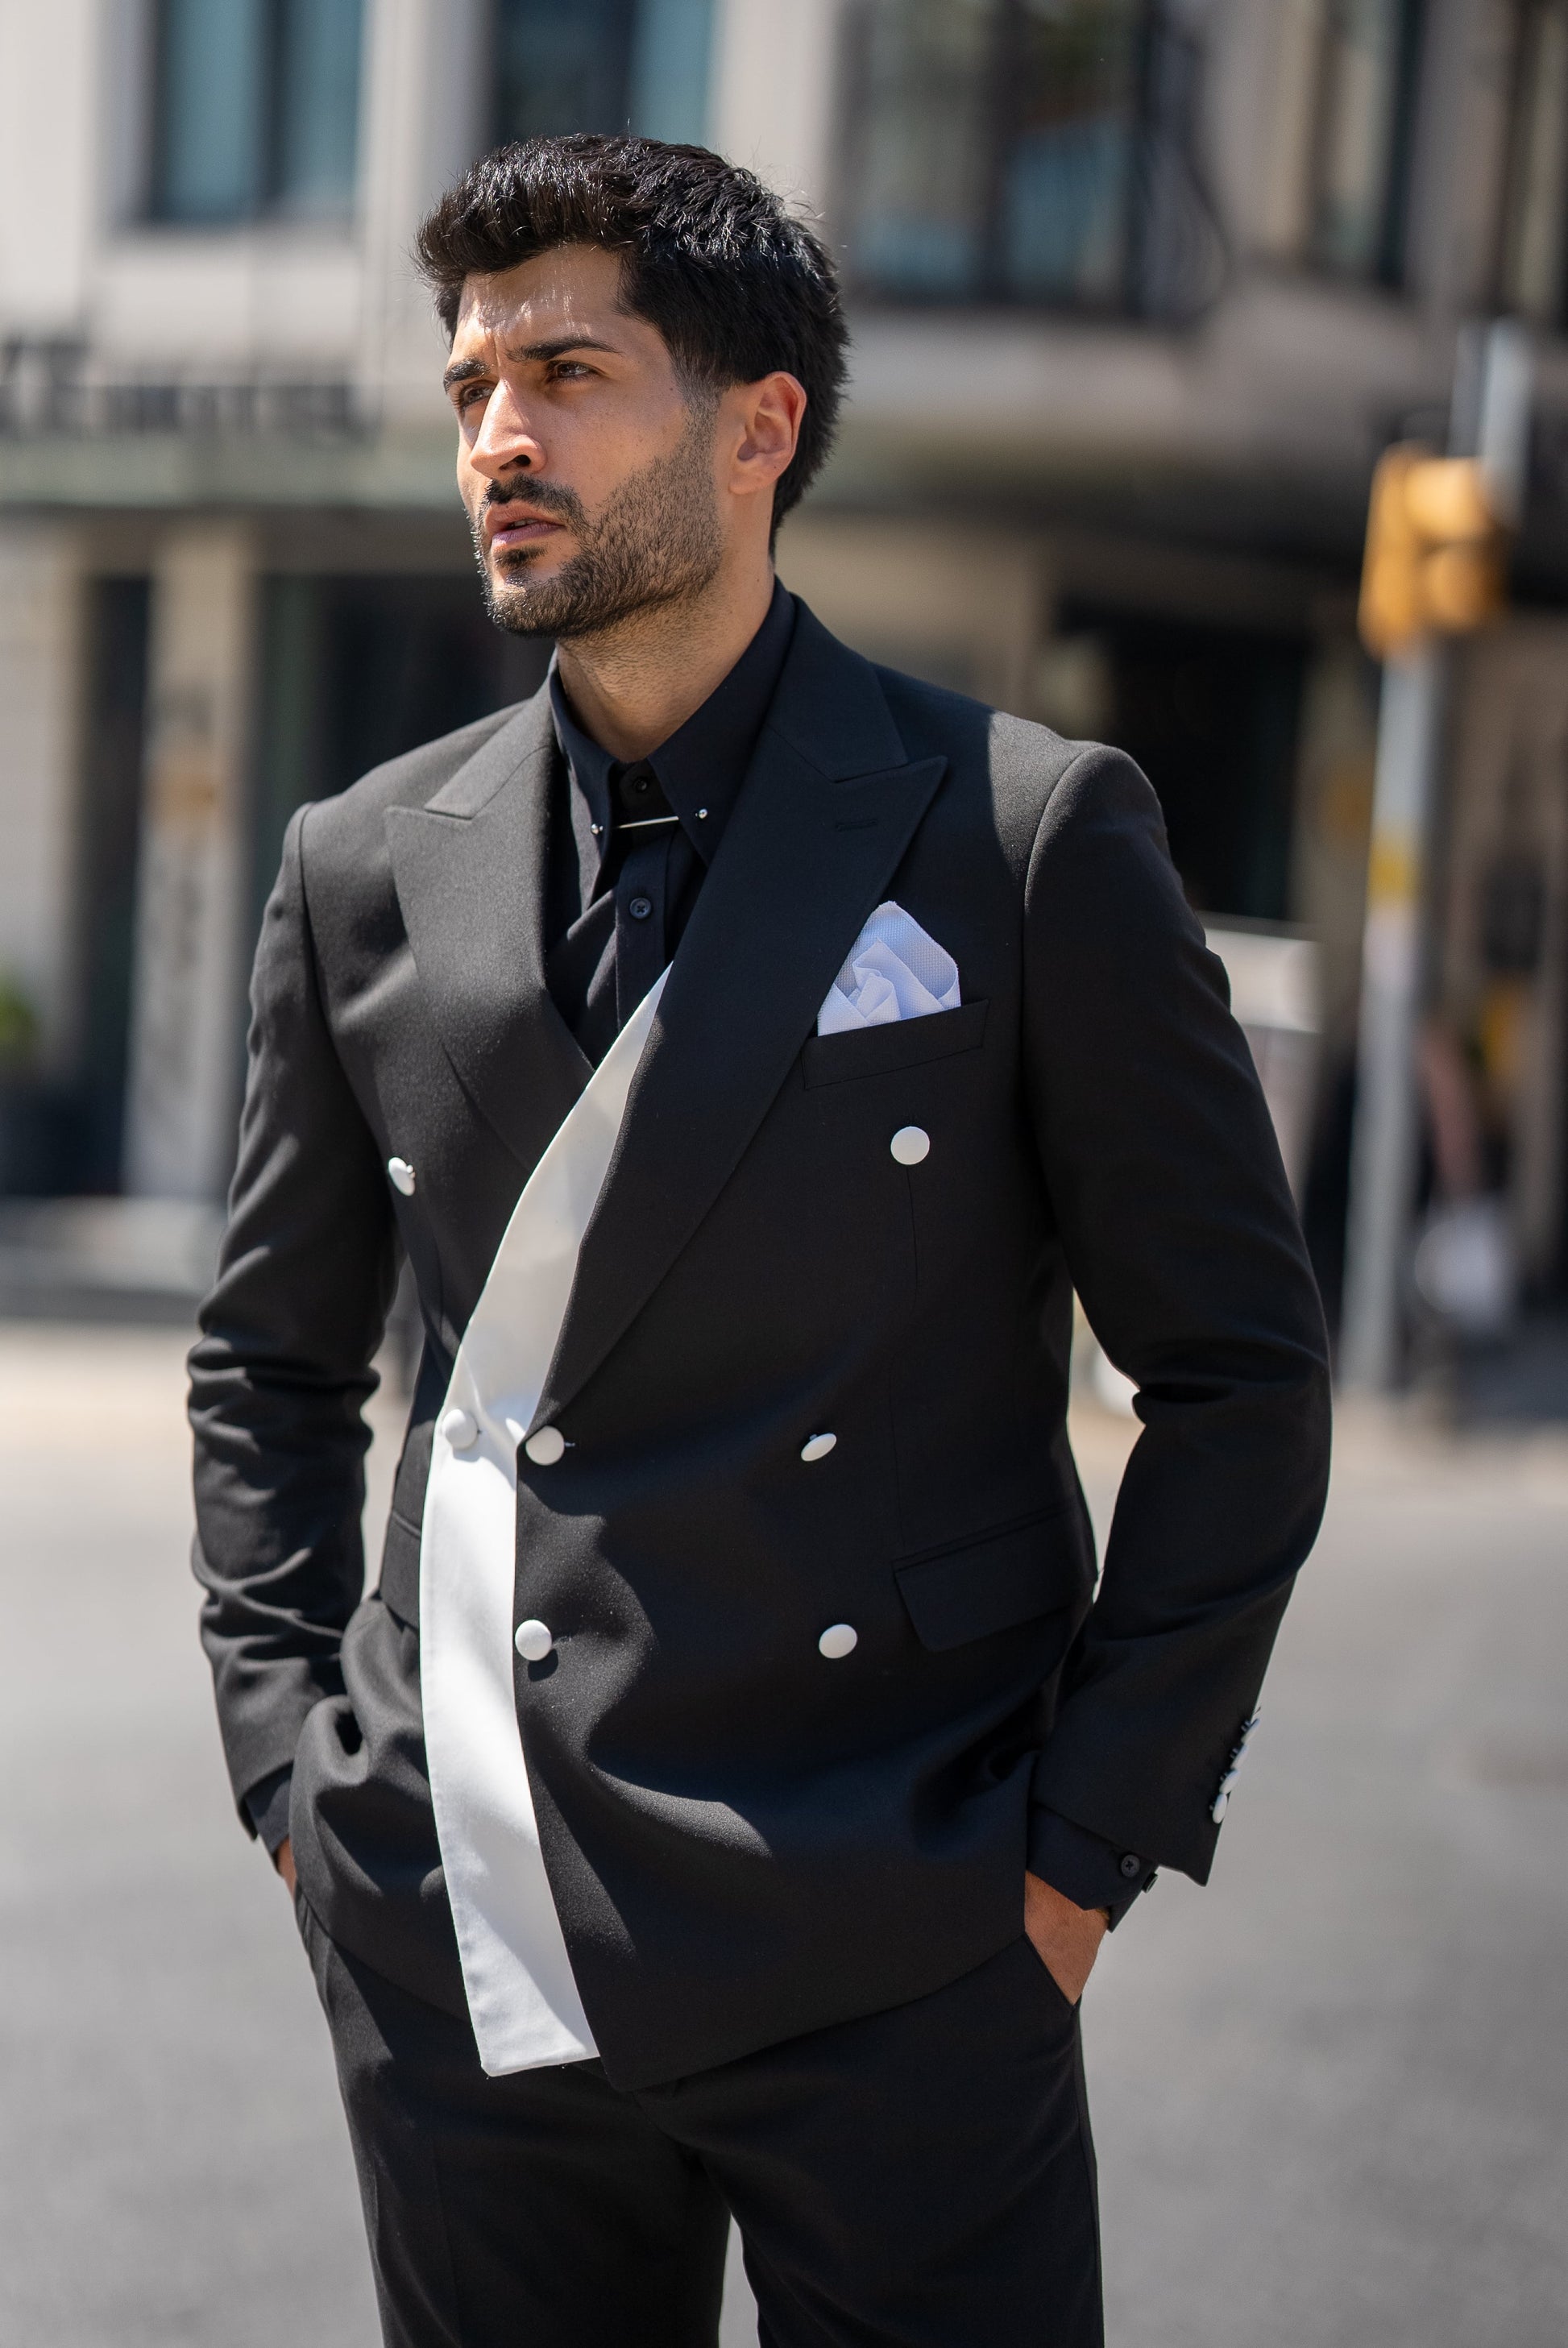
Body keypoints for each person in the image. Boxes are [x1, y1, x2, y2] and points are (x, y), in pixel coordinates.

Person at [189, 135, 1331, 2348]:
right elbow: (271, 1360)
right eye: (470, 384)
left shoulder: (1019, 833)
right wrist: (294, 1769)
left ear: (758, 427)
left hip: (901, 1921)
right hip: (470, 1907)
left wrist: (1074, 1859)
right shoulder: (360, 864)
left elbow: (1238, 1377)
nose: (497, 435)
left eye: (567, 373)